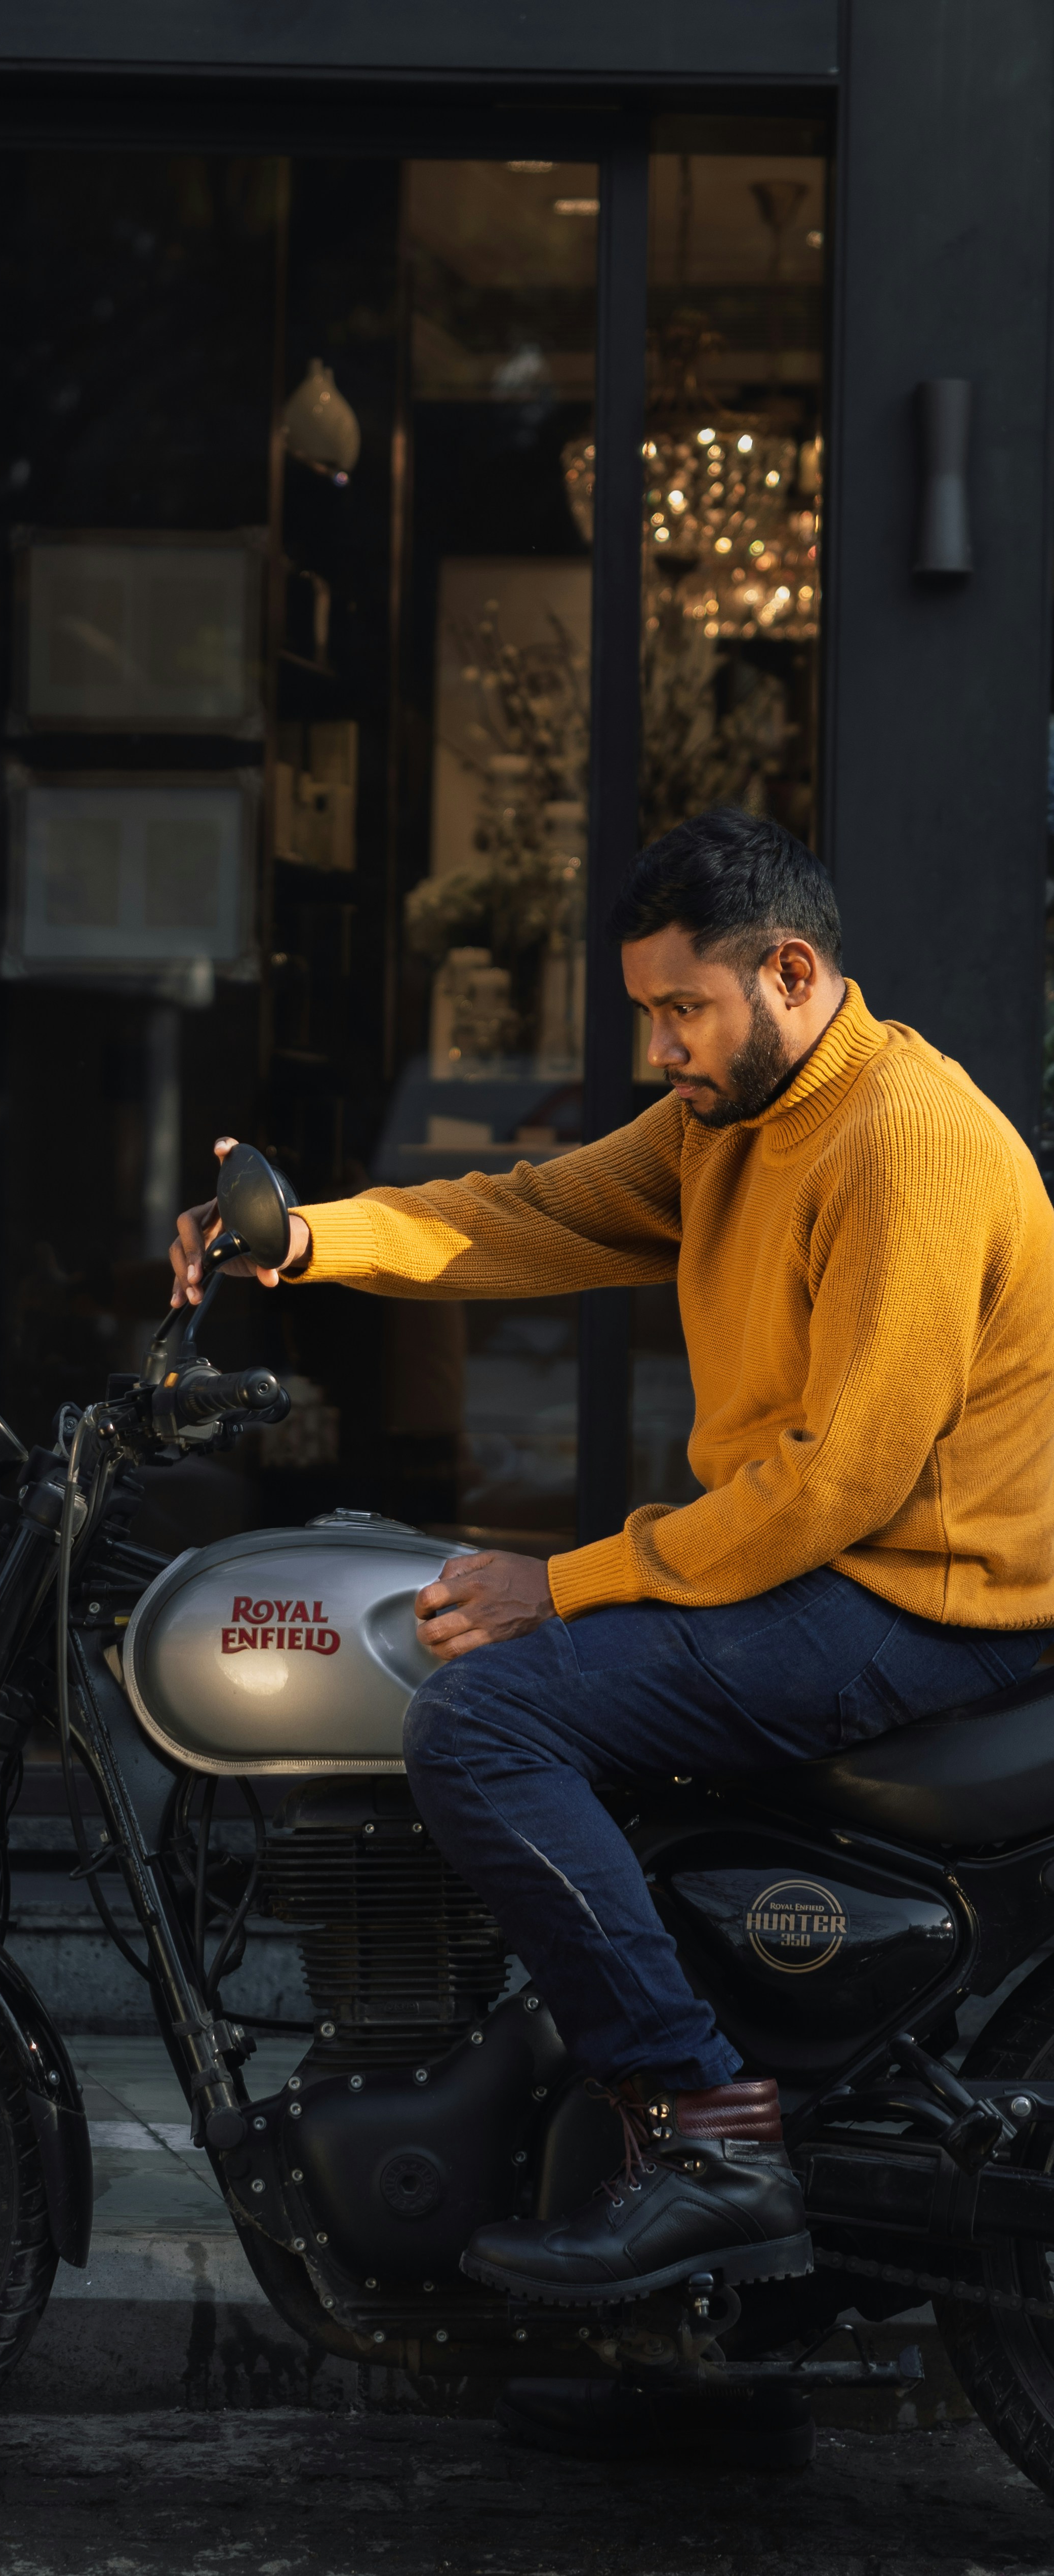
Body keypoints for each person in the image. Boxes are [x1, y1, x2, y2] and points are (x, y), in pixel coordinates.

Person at [168, 806, 1054, 2310]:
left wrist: (563, 1580)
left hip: (926, 1603)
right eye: (648, 1013)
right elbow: (528, 1216)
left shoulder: (902, 1140)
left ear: (789, 974)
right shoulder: (735, 1120)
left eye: (681, 1010)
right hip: (842, 1575)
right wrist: (307, 1242)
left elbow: (835, 1486)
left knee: (487, 1716)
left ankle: (711, 2146)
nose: (662, 1047)